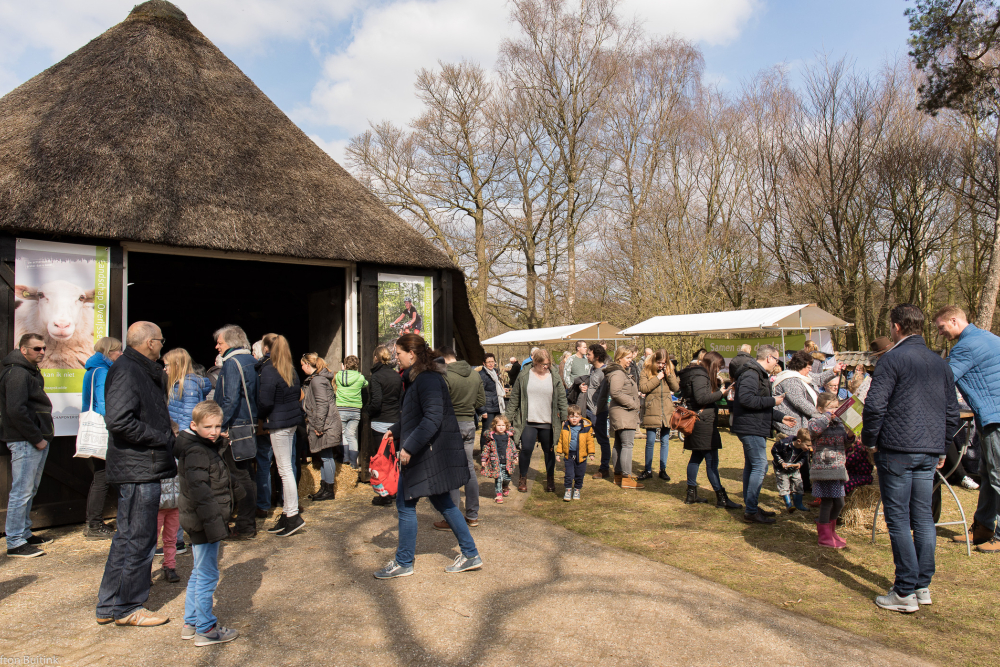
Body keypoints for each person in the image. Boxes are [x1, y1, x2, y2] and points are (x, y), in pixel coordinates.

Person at [862, 304, 959, 613]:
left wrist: (869, 442)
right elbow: (951, 412)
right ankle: (920, 585)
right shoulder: (938, 362)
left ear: (897, 327)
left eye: (891, 326)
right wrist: (942, 446)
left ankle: (906, 590)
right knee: (922, 517)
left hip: (898, 449)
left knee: (901, 519)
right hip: (926, 449)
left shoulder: (893, 359)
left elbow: (875, 406)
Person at [374, 334, 482, 579]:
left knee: (405, 504)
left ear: (411, 354)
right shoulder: (418, 378)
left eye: (398, 353)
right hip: (429, 451)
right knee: (443, 502)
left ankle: (404, 562)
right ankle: (470, 554)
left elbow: (432, 419)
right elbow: (416, 415)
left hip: (426, 453)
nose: (396, 358)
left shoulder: (427, 379)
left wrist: (409, 447)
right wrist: (395, 430)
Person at [96, 321, 175, 626]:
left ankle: (109, 606)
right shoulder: (128, 370)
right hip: (138, 467)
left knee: (127, 537)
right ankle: (128, 607)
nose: (162, 344)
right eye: (160, 340)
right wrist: (161, 436)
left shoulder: (138, 369)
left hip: (141, 464)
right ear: (148, 343)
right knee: (139, 539)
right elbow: (118, 421)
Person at [934, 304, 1000, 553]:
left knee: (997, 476)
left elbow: (942, 378)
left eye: (941, 327)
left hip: (995, 417)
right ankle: (983, 527)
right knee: (987, 472)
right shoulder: (988, 337)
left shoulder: (967, 347)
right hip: (991, 416)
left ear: (953, 321)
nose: (940, 333)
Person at [176, 400, 240, 646]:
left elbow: (217, 478)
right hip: (203, 521)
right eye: (208, 427)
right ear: (194, 425)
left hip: (202, 519)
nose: (214, 431)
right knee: (208, 575)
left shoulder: (205, 447)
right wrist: (215, 525)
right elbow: (200, 491)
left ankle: (191, 622)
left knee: (199, 571)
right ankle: (206, 628)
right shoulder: (196, 452)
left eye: (217, 426)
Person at [1, 333, 55, 558]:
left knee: (29, 489)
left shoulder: (27, 371)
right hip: (25, 441)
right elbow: (15, 410)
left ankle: (23, 532)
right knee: (21, 491)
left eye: (43, 348)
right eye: (36, 349)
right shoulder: (17, 373)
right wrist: (36, 438)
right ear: (23, 350)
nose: (41, 352)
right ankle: (14, 541)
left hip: (32, 440)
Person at [730, 344, 796, 524]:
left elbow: (758, 404)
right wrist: (773, 400)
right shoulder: (752, 373)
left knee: (752, 466)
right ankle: (751, 511)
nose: (776, 363)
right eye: (776, 359)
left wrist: (781, 417)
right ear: (768, 358)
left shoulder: (755, 373)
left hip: (753, 425)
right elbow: (746, 399)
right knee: (760, 466)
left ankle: (752, 506)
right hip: (750, 427)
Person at [678, 351, 742, 509]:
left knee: (696, 457)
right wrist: (721, 392)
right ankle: (722, 497)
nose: (719, 370)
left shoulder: (696, 374)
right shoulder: (701, 376)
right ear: (713, 364)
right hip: (703, 423)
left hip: (701, 421)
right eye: (719, 367)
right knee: (711, 462)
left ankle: (691, 494)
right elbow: (701, 399)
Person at [214, 325, 259, 540]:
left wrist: (219, 426)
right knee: (248, 475)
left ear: (231, 343)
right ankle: (247, 521)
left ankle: (245, 525)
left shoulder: (231, 363)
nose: (217, 346)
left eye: (220, 343)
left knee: (240, 477)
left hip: (235, 426)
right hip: (249, 424)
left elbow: (230, 398)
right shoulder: (252, 361)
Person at [258, 334, 305, 537]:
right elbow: (296, 395)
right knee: (287, 469)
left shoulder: (269, 370)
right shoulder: (291, 369)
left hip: (278, 422)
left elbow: (265, 401)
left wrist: (260, 416)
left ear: (268, 349)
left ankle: (292, 515)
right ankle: (288, 514)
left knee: (284, 470)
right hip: (291, 421)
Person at [433, 347, 484, 529]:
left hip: (451, 425)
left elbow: (439, 402)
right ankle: (472, 515)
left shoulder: (445, 376)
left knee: (452, 471)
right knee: (469, 468)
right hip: (469, 424)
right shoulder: (474, 374)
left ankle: (452, 518)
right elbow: (480, 402)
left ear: (444, 359)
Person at [506, 348, 568, 493]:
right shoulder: (525, 374)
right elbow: (515, 398)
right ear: (535, 362)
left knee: (549, 450)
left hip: (548, 421)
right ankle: (523, 478)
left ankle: (550, 479)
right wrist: (507, 419)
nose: (546, 367)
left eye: (548, 364)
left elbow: (561, 399)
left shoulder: (554, 376)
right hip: (528, 420)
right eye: (543, 364)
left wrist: (565, 417)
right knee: (526, 449)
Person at [81, 336, 123, 541]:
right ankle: (94, 524)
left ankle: (93, 522)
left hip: (96, 426)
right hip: (104, 429)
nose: (120, 354)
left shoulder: (91, 369)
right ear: (108, 352)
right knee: (102, 477)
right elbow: (105, 403)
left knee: (100, 476)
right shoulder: (103, 372)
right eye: (117, 351)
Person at [808, 393, 856, 548]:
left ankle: (831, 531)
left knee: (839, 502)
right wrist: (828, 416)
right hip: (824, 468)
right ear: (820, 408)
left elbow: (845, 444)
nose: (835, 410)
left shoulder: (839, 423)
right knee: (828, 501)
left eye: (836, 407)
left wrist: (850, 435)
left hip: (838, 468)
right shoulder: (816, 420)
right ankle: (824, 536)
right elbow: (814, 430)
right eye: (830, 407)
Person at [301, 353, 342, 503]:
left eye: (302, 364)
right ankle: (324, 488)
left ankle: (328, 490)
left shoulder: (317, 381)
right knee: (325, 456)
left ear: (307, 364)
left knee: (327, 457)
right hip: (326, 423)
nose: (301, 368)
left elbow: (322, 404)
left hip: (326, 424)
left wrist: (318, 425)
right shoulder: (318, 379)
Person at [772, 350, 842, 438]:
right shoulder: (789, 380)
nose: (810, 369)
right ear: (801, 366)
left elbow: (819, 379)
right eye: (808, 367)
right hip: (793, 427)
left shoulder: (804, 376)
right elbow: (800, 403)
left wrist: (834, 370)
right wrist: (820, 415)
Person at [367, 344, 404, 506]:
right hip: (395, 421)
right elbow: (401, 398)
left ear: (376, 358)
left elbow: (376, 402)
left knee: (380, 460)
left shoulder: (376, 376)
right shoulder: (397, 376)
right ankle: (394, 490)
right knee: (393, 459)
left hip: (380, 422)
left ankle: (384, 495)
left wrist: (367, 411)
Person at [638, 349, 680, 481]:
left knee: (665, 441)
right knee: (650, 441)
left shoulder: (670, 371)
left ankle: (663, 469)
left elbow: (676, 388)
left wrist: (669, 375)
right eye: (659, 362)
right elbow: (643, 388)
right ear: (654, 360)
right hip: (652, 410)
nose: (661, 365)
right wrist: (658, 378)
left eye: (664, 363)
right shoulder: (646, 370)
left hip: (666, 410)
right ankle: (648, 469)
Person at [605, 347, 642, 489]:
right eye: (627, 358)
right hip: (624, 413)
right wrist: (632, 403)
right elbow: (615, 392)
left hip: (621, 412)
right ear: (619, 357)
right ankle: (626, 478)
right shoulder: (618, 374)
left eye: (631, 358)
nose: (630, 360)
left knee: (619, 444)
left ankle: (619, 476)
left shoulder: (618, 372)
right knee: (627, 445)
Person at [335, 355, 368, 471]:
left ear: (344, 365)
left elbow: (334, 381)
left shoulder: (339, 375)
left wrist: (343, 371)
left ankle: (345, 459)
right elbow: (366, 384)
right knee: (351, 435)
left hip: (341, 409)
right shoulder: (360, 377)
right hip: (355, 410)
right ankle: (353, 463)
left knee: (342, 434)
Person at [555, 405, 595, 500]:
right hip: (569, 455)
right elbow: (561, 441)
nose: (574, 419)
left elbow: (590, 441)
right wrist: (558, 453)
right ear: (568, 417)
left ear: (580, 417)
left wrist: (591, 453)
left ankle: (577, 489)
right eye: (572, 417)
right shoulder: (565, 428)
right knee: (569, 474)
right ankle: (568, 490)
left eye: (576, 417)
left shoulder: (586, 428)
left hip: (581, 456)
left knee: (579, 474)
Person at [585, 344, 612, 480]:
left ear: (597, 356)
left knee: (602, 440)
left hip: (598, 413)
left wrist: (596, 412)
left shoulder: (604, 372)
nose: (587, 356)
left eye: (589, 354)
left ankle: (604, 468)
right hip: (588, 411)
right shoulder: (592, 369)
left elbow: (603, 395)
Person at [772, 428, 811, 513]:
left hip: (794, 468)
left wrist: (800, 464)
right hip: (781, 468)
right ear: (799, 441)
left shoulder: (805, 450)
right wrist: (781, 462)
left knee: (798, 484)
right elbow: (775, 451)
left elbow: (804, 458)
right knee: (784, 485)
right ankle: (789, 504)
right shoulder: (783, 443)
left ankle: (799, 504)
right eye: (808, 445)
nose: (809, 448)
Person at [481, 415, 517, 504]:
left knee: (507, 478)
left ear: (506, 427)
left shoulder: (508, 437)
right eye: (499, 425)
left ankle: (505, 486)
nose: (501, 427)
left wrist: (515, 456)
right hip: (496, 462)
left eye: (503, 425)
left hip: (507, 461)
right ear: (494, 426)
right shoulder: (491, 438)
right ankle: (499, 494)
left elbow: (513, 447)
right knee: (498, 478)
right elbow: (486, 449)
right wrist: (483, 459)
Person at [479, 352, 506, 449]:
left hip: (497, 406)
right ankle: (484, 452)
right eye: (488, 362)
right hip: (488, 408)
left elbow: (495, 388)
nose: (491, 364)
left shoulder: (495, 372)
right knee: (487, 431)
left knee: (497, 430)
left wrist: (502, 390)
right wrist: (483, 410)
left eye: (492, 361)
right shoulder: (482, 375)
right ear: (484, 363)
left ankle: (494, 450)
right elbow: (479, 393)